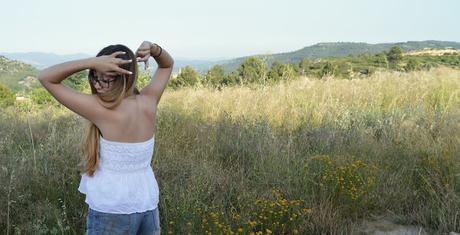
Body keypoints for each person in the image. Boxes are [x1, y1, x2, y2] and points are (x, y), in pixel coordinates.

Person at [38, 41, 174, 234]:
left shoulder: (101, 110)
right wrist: (154, 49)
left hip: (112, 208)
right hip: (147, 202)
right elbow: (167, 64)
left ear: (125, 79)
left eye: (106, 79)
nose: (97, 85)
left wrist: (91, 62)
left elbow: (46, 77)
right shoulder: (149, 101)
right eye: (94, 76)